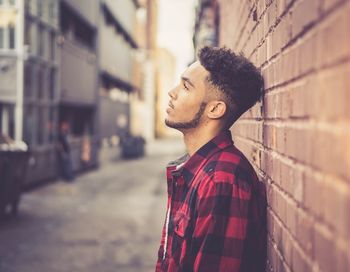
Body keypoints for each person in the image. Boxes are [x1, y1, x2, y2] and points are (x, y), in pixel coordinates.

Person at [155, 46, 267, 272]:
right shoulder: (196, 169)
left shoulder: (221, 181)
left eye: (186, 86)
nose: (172, 92)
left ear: (215, 109)